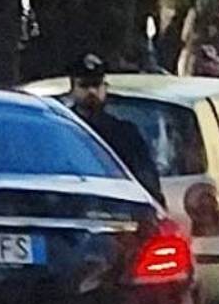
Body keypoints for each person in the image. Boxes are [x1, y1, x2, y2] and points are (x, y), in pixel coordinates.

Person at [68, 53, 165, 206]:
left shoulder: (125, 133)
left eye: (96, 85)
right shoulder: (63, 130)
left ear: (105, 88)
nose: (92, 92)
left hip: (118, 208)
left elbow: (146, 180)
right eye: (84, 85)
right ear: (72, 89)